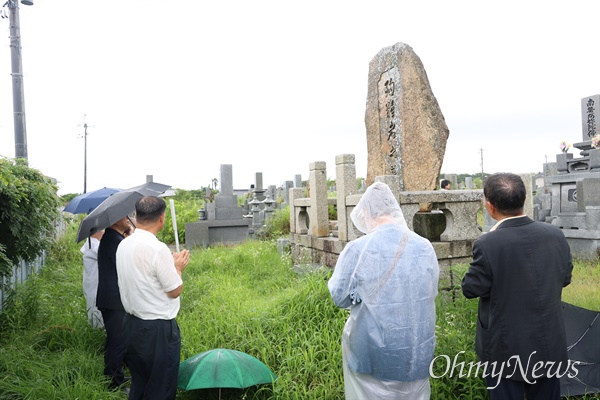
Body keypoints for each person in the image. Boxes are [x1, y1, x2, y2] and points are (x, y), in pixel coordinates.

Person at [462, 172, 573, 400]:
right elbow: (565, 278)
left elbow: (470, 288)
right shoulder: (555, 235)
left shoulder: (487, 243)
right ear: (523, 199)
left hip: (505, 350)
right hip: (548, 345)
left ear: (489, 205)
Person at [328, 182, 439, 400]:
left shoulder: (358, 249)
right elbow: (429, 290)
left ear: (367, 211)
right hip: (416, 349)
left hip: (371, 352)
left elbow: (339, 297)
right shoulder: (424, 246)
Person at [116, 196, 190, 400]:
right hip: (156, 329)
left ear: (136, 216)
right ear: (162, 218)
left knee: (140, 382)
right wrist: (178, 268)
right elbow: (174, 290)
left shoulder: (123, 244)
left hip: (131, 324)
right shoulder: (158, 249)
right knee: (161, 386)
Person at [96, 215, 135, 391]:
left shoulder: (115, 238)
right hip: (114, 299)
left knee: (117, 340)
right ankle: (115, 384)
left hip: (112, 299)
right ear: (113, 220)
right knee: (117, 342)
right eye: (123, 216)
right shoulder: (114, 239)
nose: (128, 218)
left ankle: (115, 375)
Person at [81, 230, 105, 329]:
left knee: (92, 303)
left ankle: (95, 326)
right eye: (102, 230)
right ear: (96, 231)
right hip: (94, 281)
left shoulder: (92, 243)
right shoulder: (93, 245)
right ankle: (97, 328)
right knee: (95, 305)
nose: (103, 232)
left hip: (92, 280)